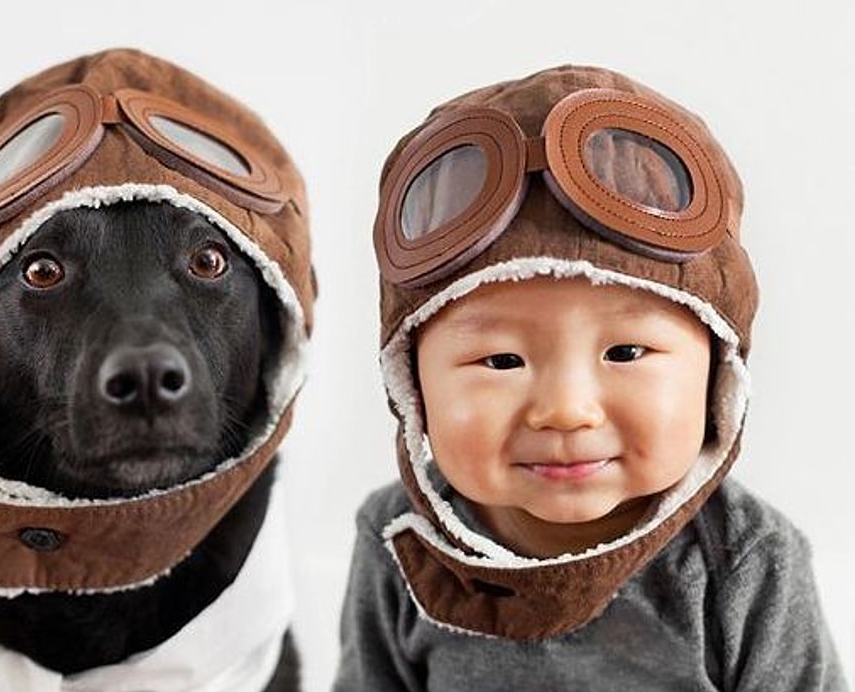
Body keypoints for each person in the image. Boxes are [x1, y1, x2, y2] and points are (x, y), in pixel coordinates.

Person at [333, 65, 848, 691]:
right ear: (411, 387)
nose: (566, 410)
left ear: (717, 374)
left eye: (627, 352)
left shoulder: (747, 563)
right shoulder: (396, 542)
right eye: (500, 361)